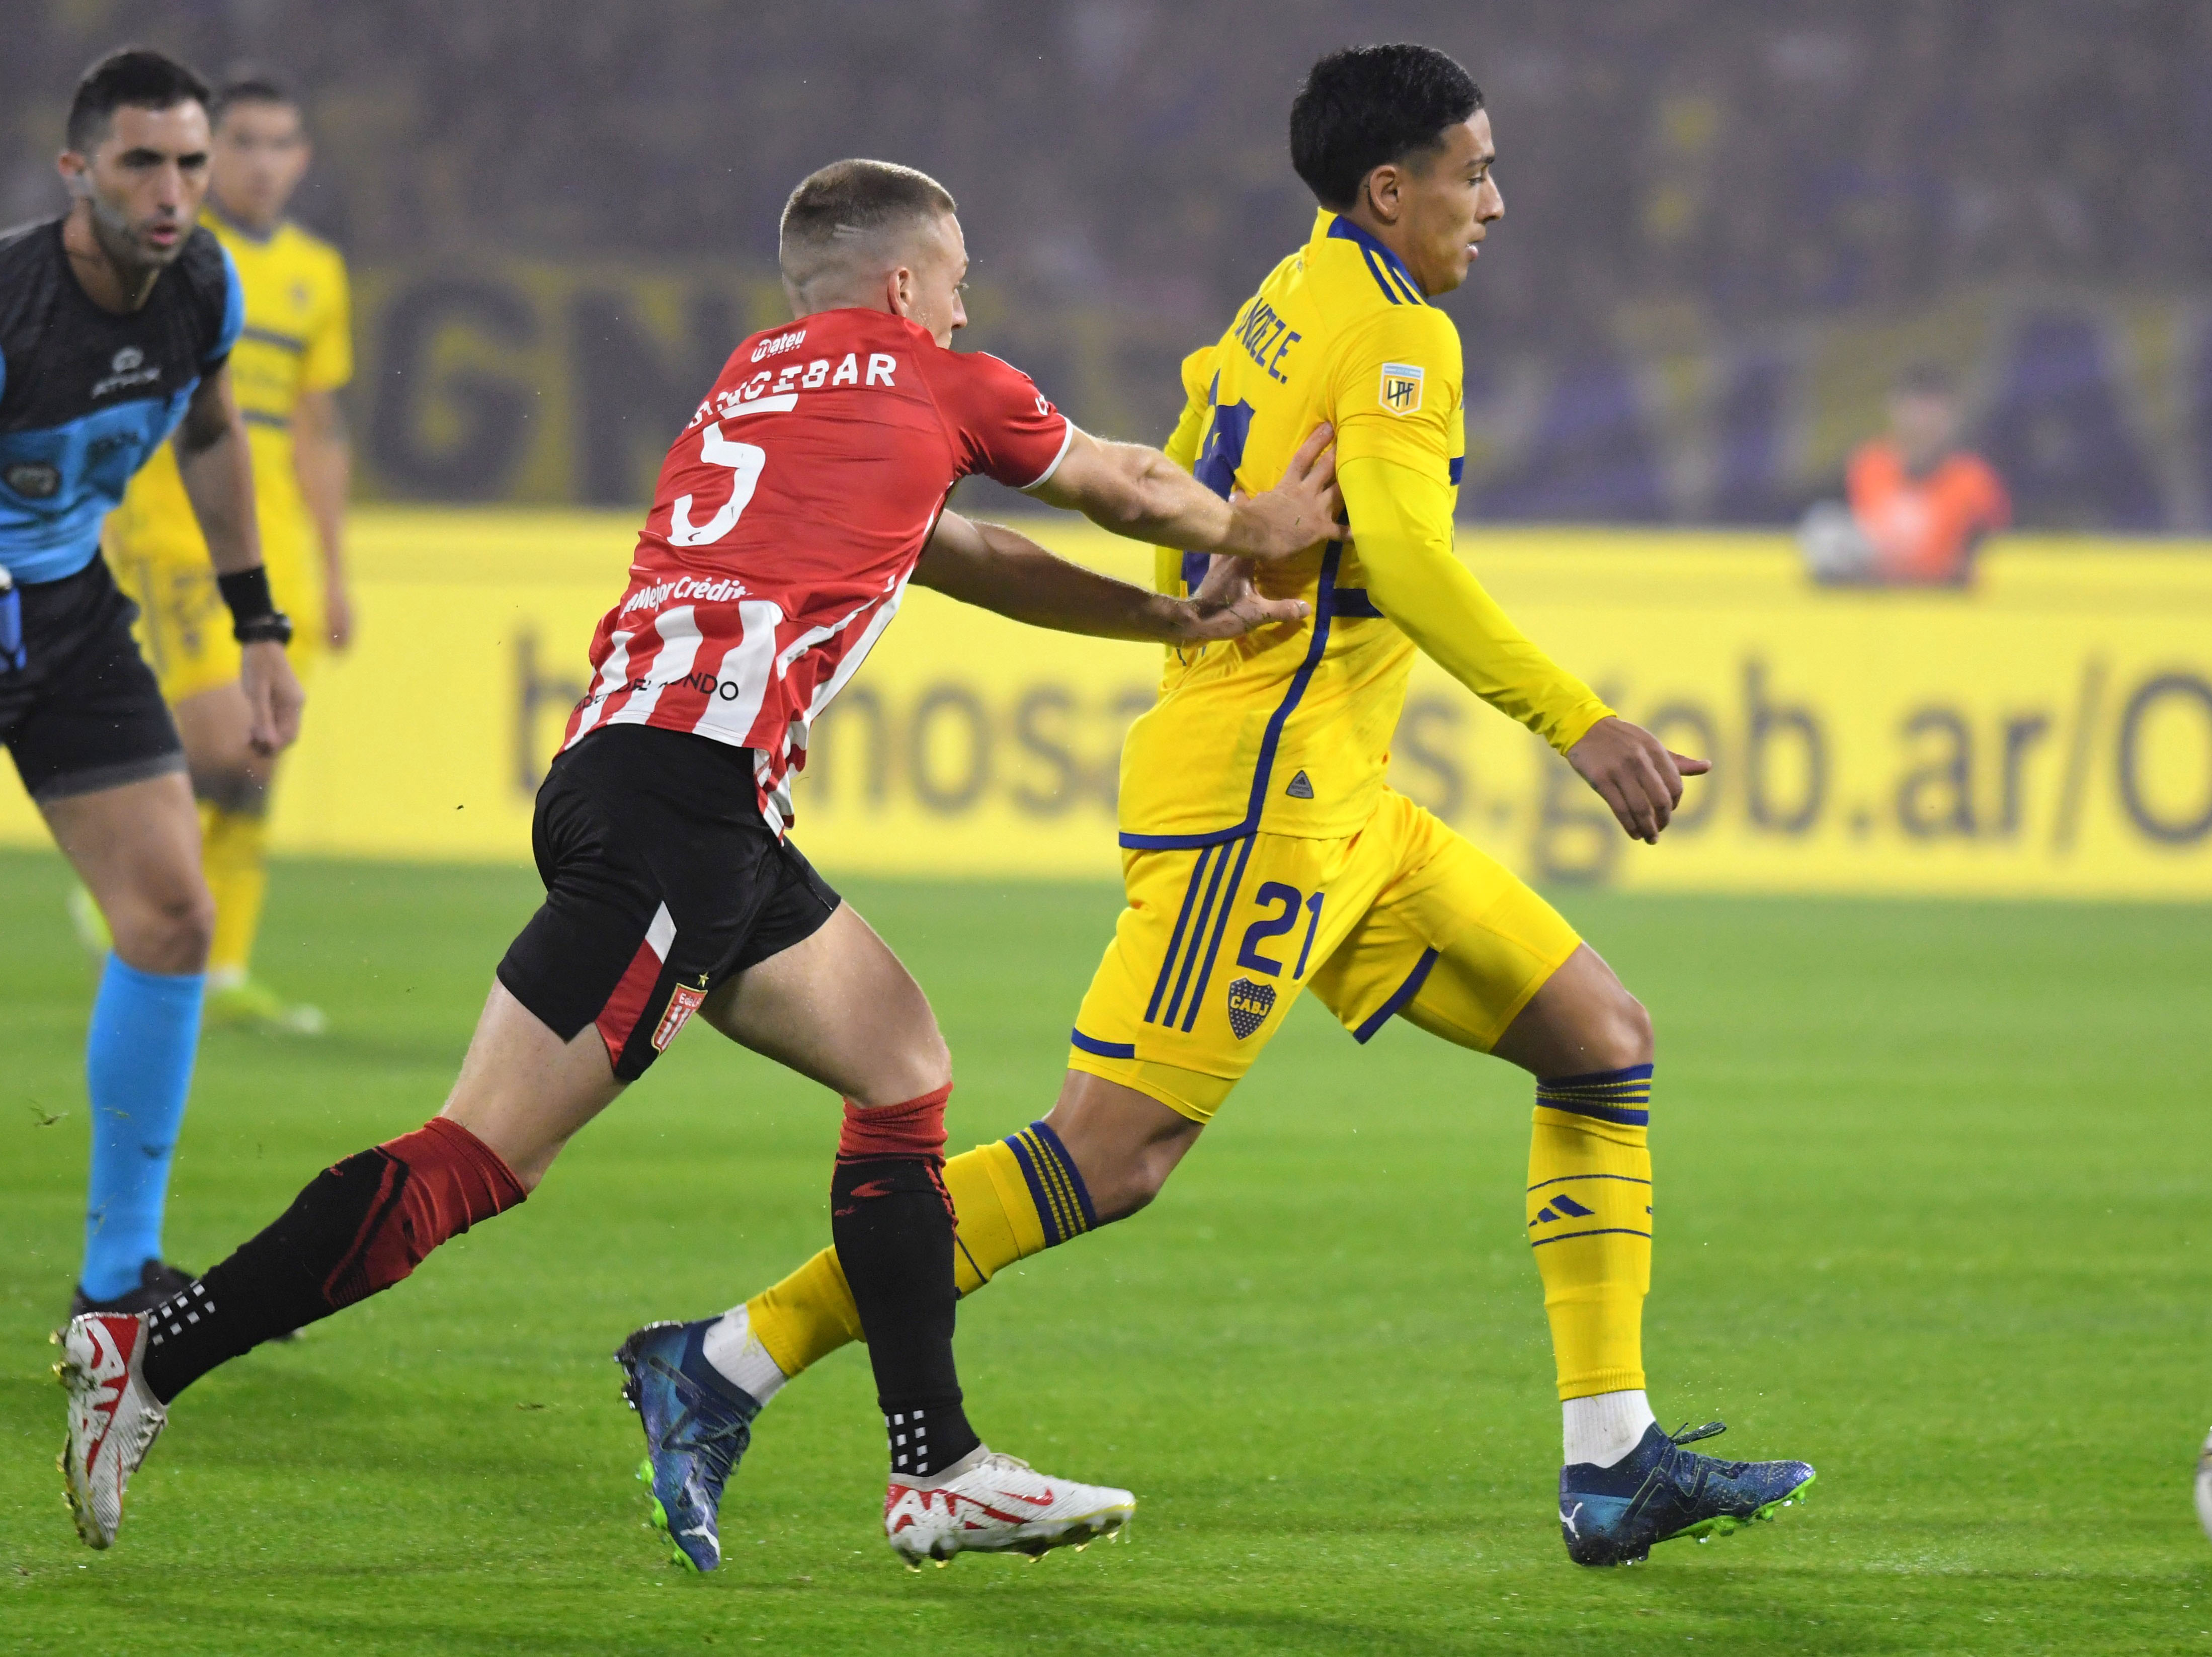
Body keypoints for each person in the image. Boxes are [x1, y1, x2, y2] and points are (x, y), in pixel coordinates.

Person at [56, 157, 1345, 1566]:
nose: (967, 302)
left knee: (901, 1059)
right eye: (958, 275)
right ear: (906, 283)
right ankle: (154, 1348)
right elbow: (1129, 480)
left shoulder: (752, 383)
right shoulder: (933, 373)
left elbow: (962, 554)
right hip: (687, 800)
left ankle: (937, 1465)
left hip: (651, 780)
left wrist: (1166, 630)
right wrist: (1252, 531)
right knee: (481, 1153)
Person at [635, 44, 1815, 1572]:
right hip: (1260, 802)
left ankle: (1611, 1463)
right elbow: (1398, 556)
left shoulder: (1285, 297)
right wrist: (1575, 723)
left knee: (1599, 1042)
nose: (1495, 203)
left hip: (1345, 802)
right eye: (1472, 172)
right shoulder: (1392, 334)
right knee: (1103, 1157)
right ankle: (721, 1363)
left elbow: (1193, 489)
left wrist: (1207, 589)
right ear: (1387, 190)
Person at [3, 49, 306, 1328]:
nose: (174, 189)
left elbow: (211, 431)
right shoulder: (15, 302)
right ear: (77, 170)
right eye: (143, 161)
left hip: (65, 618)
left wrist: (258, 623)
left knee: (174, 913)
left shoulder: (201, 285)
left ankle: (118, 1274)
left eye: (189, 160)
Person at [92, 72, 355, 1033]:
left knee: (258, 758)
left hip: (278, 536)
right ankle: (125, 875)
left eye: (280, 143)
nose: (261, 162)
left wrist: (334, 567)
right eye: (242, 141)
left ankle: (220, 966)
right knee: (219, 738)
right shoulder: (168, 254)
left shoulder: (316, 274)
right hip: (174, 525)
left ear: (302, 160)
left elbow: (320, 429)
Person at [1801, 362, 2009, 587]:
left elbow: (1994, 559)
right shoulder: (1867, 466)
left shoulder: (1975, 481)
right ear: (1894, 409)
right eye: (1914, 409)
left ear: (1953, 416)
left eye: (1933, 411)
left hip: (1944, 608)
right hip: (1874, 604)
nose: (1922, 422)